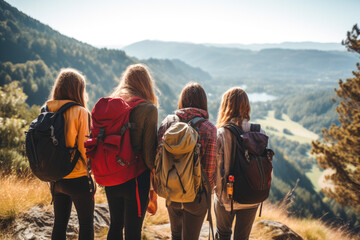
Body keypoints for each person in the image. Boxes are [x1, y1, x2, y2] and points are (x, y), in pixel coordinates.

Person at [157, 82, 217, 240]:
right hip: (196, 197)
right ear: (203, 102)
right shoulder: (209, 128)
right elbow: (210, 171)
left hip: (171, 191)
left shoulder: (168, 123)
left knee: (175, 235)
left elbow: (158, 158)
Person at [105, 64, 158, 240]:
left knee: (115, 225)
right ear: (146, 84)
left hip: (111, 176)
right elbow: (150, 158)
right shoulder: (148, 109)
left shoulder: (112, 102)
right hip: (135, 179)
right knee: (133, 231)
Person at [47, 68, 94, 240]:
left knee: (59, 224)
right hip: (78, 177)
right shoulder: (81, 112)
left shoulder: (46, 108)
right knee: (86, 224)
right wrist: (91, 172)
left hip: (55, 178)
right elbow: (84, 148)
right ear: (78, 89)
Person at [214, 87, 266, 240]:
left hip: (227, 197)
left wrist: (217, 194)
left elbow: (217, 170)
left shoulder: (222, 133)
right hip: (252, 195)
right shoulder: (260, 132)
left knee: (222, 234)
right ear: (247, 107)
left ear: (225, 106)